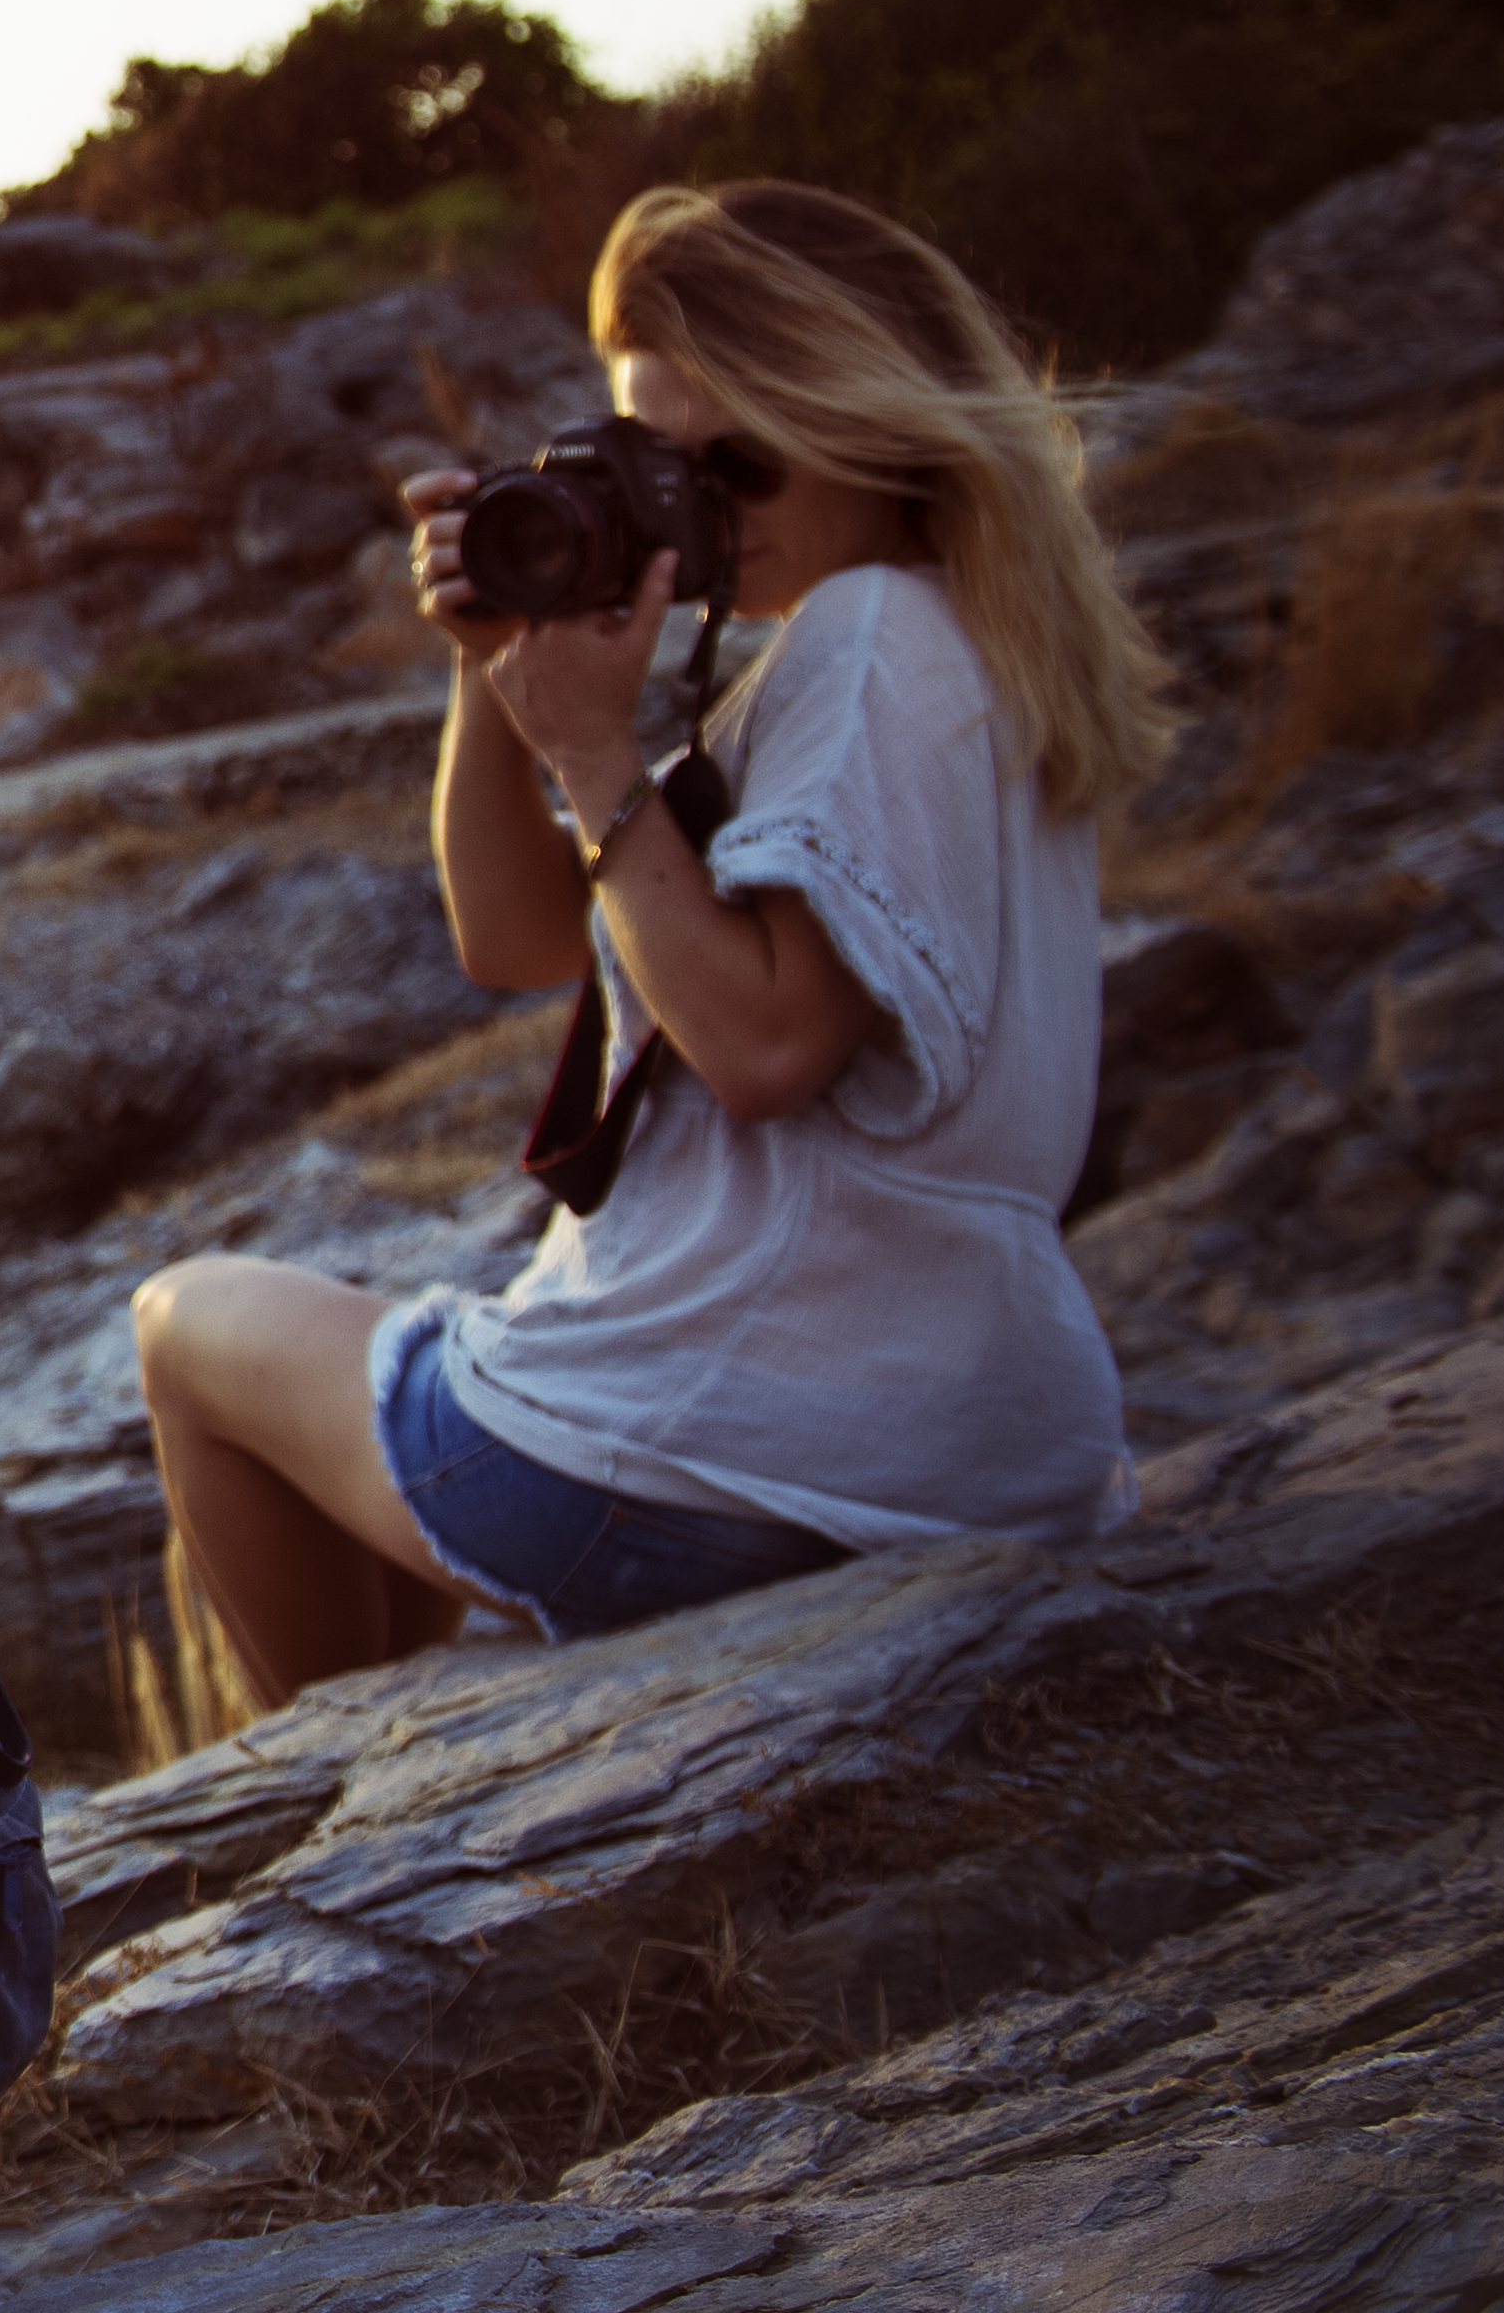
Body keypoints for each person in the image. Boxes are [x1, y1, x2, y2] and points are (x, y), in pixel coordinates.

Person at [132, 180, 1177, 1710]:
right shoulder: (965, 644)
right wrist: (499, 669)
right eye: (662, 469)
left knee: (187, 1324)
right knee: (400, 1371)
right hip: (951, 1439)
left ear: (869, 416)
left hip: (724, 1454)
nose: (707, 517)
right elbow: (517, 936)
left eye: (741, 463)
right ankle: (390, 1757)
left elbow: (762, 1046)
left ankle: (342, 1779)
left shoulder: (869, 637)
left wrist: (600, 766)